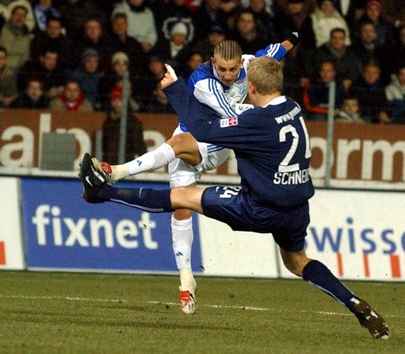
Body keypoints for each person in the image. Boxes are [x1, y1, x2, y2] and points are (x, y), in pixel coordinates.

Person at [79, 57, 390, 340]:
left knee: (181, 196)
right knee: (298, 262)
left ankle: (101, 191)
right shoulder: (294, 108)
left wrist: (175, 89)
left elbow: (201, 129)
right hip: (296, 208)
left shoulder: (257, 123)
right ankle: (353, 302)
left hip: (257, 207)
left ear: (251, 87)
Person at [90, 37, 297, 315]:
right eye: (222, 69)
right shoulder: (203, 83)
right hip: (196, 135)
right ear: (213, 63)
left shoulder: (250, 64)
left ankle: (116, 172)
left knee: (175, 146)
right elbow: (231, 114)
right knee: (180, 208)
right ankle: (186, 282)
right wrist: (257, 112)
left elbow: (273, 51)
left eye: (232, 70)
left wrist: (292, 39)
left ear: (241, 64)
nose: (227, 75)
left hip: (217, 143)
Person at [101, 86, 146, 163]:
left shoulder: (133, 122)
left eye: (119, 99)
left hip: (127, 164)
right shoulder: (108, 121)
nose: (116, 103)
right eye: (114, 100)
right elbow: (104, 146)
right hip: (110, 165)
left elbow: (139, 146)